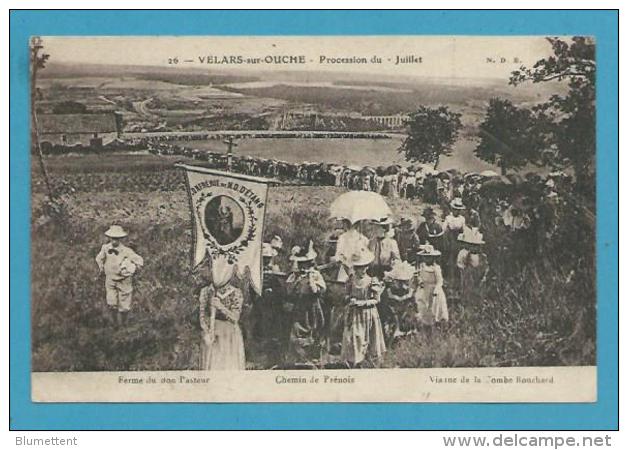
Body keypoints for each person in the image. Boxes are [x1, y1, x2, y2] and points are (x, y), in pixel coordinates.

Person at [341, 247, 387, 367]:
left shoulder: (371, 281)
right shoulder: (351, 280)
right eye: (357, 268)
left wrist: (363, 303)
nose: (359, 271)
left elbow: (377, 299)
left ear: (366, 267)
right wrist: (349, 299)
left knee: (367, 338)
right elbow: (346, 295)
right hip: (354, 314)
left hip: (368, 314)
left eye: (362, 268)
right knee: (354, 337)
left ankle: (367, 361)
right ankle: (354, 361)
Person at [286, 241, 327, 363]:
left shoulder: (315, 275)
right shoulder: (295, 276)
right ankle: (298, 358)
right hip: (300, 307)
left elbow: (317, 291)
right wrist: (296, 279)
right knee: (297, 330)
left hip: (312, 307)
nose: (303, 266)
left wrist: (310, 278)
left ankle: (312, 357)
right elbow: (289, 291)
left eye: (305, 264)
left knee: (313, 330)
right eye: (301, 264)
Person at [95, 225, 144, 326]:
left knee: (125, 305)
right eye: (112, 239)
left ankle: (124, 324)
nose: (114, 241)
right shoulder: (105, 248)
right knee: (112, 302)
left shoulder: (126, 250)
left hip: (124, 280)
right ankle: (115, 324)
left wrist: (134, 268)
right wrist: (101, 267)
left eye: (117, 239)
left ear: (121, 239)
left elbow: (138, 260)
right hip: (110, 279)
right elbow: (99, 258)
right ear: (109, 238)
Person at [199, 280, 246, 370]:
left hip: (229, 335)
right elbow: (202, 315)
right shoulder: (207, 291)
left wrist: (220, 306)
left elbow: (235, 318)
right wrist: (207, 331)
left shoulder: (235, 292)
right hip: (213, 333)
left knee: (228, 365)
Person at [381, 260, 418, 340]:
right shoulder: (389, 292)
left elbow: (414, 304)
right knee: (391, 320)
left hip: (405, 314)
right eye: (399, 282)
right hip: (393, 315)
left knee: (409, 317)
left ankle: (407, 333)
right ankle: (393, 334)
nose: (402, 285)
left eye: (405, 282)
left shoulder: (409, 292)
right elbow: (386, 308)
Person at [416, 244, 448, 326]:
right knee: (422, 305)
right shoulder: (421, 266)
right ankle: (425, 323)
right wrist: (420, 281)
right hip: (424, 288)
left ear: (433, 258)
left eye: (429, 257)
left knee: (434, 306)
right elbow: (420, 276)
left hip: (433, 289)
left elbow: (439, 281)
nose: (427, 259)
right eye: (425, 257)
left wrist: (436, 290)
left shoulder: (436, 268)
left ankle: (436, 322)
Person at [457, 227, 490, 305]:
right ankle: (467, 301)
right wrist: (464, 271)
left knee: (480, 287)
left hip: (479, 273)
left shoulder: (482, 256)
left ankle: (479, 301)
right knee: (468, 287)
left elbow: (486, 266)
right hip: (469, 274)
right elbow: (462, 264)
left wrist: (484, 275)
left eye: (477, 246)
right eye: (472, 246)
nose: (474, 248)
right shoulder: (467, 255)